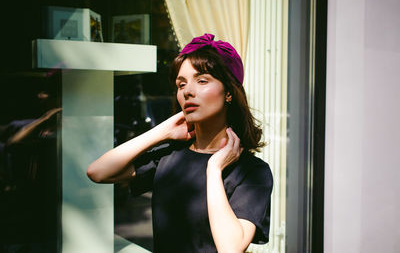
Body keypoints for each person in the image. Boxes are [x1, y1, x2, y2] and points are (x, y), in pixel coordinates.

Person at [87, 33, 273, 253]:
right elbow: (98, 172)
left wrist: (213, 169)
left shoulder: (252, 172)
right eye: (181, 84)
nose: (187, 91)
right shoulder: (169, 155)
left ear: (229, 92)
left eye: (202, 80)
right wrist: (161, 132)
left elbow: (230, 249)